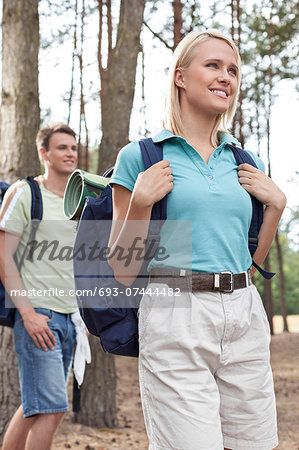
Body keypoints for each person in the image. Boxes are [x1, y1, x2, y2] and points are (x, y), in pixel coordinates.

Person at [107, 30, 286, 450]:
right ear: (181, 77)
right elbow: (122, 269)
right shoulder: (142, 156)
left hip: (243, 310)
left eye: (233, 70)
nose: (226, 76)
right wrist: (140, 204)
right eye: (213, 66)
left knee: (255, 445)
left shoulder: (245, 160)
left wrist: (276, 208)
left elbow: (249, 261)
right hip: (175, 310)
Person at [0, 123, 79, 450]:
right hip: (38, 315)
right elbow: (4, 257)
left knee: (39, 407)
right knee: (50, 407)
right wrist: (28, 314)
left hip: (69, 317)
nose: (70, 153)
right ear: (43, 153)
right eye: (62, 147)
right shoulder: (25, 192)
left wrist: (82, 316)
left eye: (73, 148)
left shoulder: (79, 201)